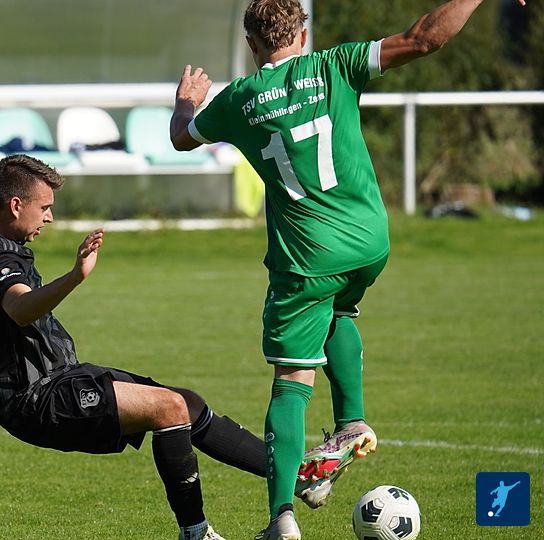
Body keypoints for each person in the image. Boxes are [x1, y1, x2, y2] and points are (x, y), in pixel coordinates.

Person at [169, 0, 526, 538]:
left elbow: (181, 138)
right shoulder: (335, 65)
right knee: (339, 308)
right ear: (303, 34)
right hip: (369, 241)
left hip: (307, 257)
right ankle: (350, 423)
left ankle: (281, 517)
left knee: (291, 383)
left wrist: (187, 103)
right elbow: (426, 38)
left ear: (252, 45)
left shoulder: (238, 99)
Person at [0, 154, 267, 540]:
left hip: (59, 377)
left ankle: (291, 477)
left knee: (186, 403)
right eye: (44, 207)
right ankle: (196, 533)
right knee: (169, 408)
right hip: (34, 397)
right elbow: (20, 308)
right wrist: (75, 276)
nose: (50, 217)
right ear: (16, 205)